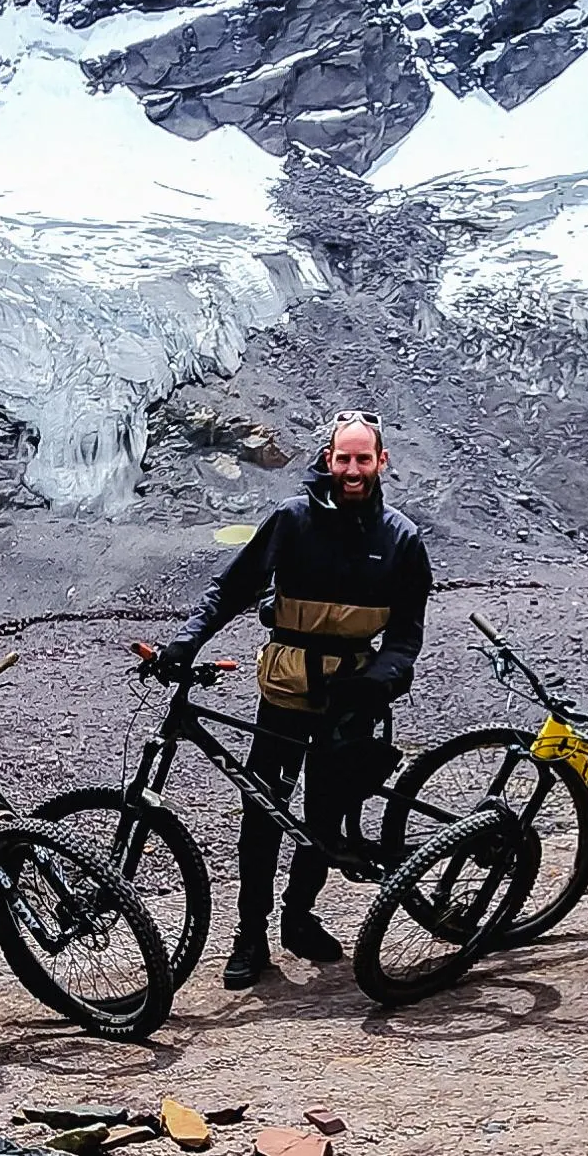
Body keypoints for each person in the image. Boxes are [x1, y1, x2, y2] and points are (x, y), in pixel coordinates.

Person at [157, 410, 433, 988]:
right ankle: (250, 935)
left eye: (363, 459)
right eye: (343, 458)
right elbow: (232, 587)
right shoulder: (294, 520)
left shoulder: (402, 540)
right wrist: (187, 640)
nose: (352, 469)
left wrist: (379, 680)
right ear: (327, 460)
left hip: (351, 698)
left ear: (381, 462)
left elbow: (406, 635)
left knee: (324, 817)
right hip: (284, 692)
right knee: (262, 814)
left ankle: (298, 919)